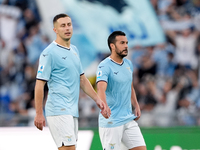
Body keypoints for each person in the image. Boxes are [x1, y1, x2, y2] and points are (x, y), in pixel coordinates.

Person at [34, 13, 109, 150]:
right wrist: (39, 113)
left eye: (69, 24)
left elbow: (82, 79)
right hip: (58, 109)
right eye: (63, 26)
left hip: (72, 110)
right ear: (55, 30)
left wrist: (97, 99)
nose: (67, 28)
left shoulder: (74, 50)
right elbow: (40, 84)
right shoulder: (49, 53)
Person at [96, 31, 147, 150]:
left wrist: (136, 105)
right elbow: (100, 88)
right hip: (111, 120)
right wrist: (104, 106)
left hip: (128, 119)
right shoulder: (104, 66)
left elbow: (130, 86)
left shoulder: (128, 64)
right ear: (112, 46)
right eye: (122, 43)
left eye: (127, 43)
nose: (126, 46)